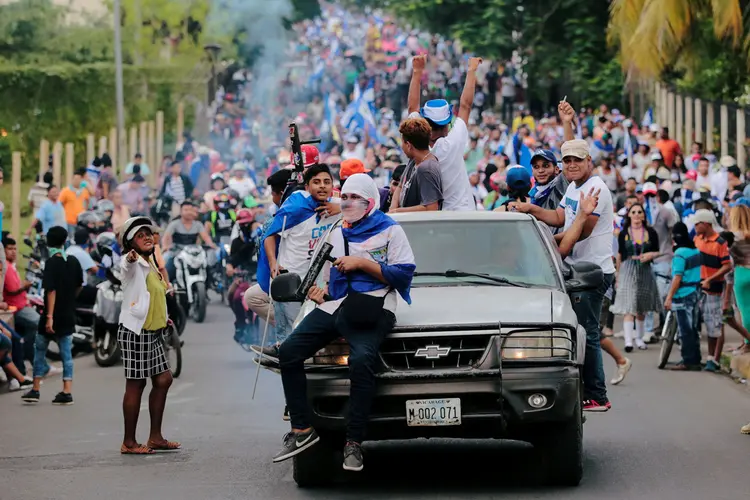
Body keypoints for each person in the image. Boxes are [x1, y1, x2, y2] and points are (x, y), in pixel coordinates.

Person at [273, 173, 415, 472]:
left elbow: (403, 275)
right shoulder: (338, 230)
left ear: (371, 202)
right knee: (288, 352)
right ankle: (301, 430)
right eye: (345, 197)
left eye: (356, 199)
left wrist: (363, 264)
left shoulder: (390, 230)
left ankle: (353, 443)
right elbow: (330, 278)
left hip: (373, 307)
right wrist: (321, 293)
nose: (348, 203)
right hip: (338, 305)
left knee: (362, 361)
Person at [510, 136, 615, 412]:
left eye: (577, 160)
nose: (571, 165)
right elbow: (560, 217)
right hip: (574, 270)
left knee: (587, 333)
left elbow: (579, 232)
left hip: (593, 271)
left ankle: (598, 395)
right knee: (576, 331)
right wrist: (530, 209)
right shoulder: (572, 186)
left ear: (588, 161)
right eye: (567, 160)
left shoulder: (596, 189)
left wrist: (544, 244)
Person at [257, 164, 340, 353]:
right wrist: (273, 263)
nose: (322, 186)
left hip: (319, 284)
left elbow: (371, 204)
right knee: (290, 340)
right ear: (307, 187)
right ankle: (282, 351)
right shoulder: (295, 207)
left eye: (327, 182)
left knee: (314, 339)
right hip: (291, 282)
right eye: (316, 182)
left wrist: (339, 206)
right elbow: (269, 235)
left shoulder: (337, 207)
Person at [116, 216, 180, 455]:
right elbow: (126, 265)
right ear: (130, 243)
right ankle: (129, 442)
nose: (146, 237)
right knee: (136, 384)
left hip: (153, 331)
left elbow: (156, 296)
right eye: (139, 235)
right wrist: (131, 257)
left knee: (163, 379)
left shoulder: (151, 262)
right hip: (136, 332)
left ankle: (155, 437)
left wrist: (164, 319)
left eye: (148, 234)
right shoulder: (132, 262)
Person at [406, 54, 478, 211]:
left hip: (433, 221)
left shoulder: (418, 147)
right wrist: (472, 70)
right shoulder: (454, 142)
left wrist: (417, 71)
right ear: (447, 126)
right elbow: (465, 105)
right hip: (462, 214)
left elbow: (412, 108)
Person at [21, 226, 83, 405]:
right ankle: (67, 391)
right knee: (66, 355)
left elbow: (51, 291)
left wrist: (49, 316)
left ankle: (35, 389)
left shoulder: (51, 263)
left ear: (49, 242)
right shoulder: (73, 261)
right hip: (67, 314)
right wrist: (69, 299)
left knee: (39, 350)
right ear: (64, 241)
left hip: (52, 315)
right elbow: (79, 285)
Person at [243, 169, 293, 334]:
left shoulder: (291, 213)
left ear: (281, 193)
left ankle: (290, 329)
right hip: (272, 276)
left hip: (290, 275)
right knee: (251, 297)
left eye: (273, 194)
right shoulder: (277, 215)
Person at [609, 203, 662, 351]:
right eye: (634, 212)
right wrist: (618, 274)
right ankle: (628, 341)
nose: (637, 214)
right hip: (628, 268)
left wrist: (651, 254)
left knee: (641, 307)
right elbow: (619, 254)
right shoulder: (624, 232)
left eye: (639, 212)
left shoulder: (650, 232)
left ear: (644, 215)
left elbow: (658, 251)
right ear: (629, 215)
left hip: (645, 270)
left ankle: (639, 338)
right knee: (629, 305)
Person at [693, 209, 732, 372]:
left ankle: (712, 358)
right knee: (696, 322)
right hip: (697, 286)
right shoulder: (697, 240)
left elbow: (727, 265)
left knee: (712, 324)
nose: (695, 227)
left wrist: (710, 279)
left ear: (706, 224)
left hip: (714, 288)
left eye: (698, 224)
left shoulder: (720, 243)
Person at [664, 222, 703, 371]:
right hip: (695, 293)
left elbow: (677, 277)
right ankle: (696, 358)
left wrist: (669, 297)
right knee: (693, 328)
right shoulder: (696, 251)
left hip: (683, 295)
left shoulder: (680, 254)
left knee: (685, 329)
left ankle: (688, 361)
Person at [2, 235, 40, 379]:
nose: (12, 251)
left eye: (14, 249)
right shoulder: (6, 267)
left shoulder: (11, 266)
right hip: (16, 308)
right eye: (9, 249)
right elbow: (12, 289)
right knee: (38, 324)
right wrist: (25, 285)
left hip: (21, 305)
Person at [390, 117, 443, 212]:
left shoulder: (427, 169)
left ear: (409, 146)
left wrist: (397, 212)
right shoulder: (414, 159)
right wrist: (393, 208)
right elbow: (400, 186)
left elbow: (431, 208)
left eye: (402, 143)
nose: (402, 147)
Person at [226, 209, 260, 346]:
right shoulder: (236, 243)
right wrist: (230, 267)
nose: (246, 227)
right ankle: (240, 323)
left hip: (262, 277)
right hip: (245, 277)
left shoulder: (263, 238)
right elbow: (233, 260)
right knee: (233, 296)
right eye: (242, 224)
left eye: (249, 224)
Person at [161, 201, 217, 282]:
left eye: (190, 210)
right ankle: (166, 285)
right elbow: (166, 237)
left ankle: (211, 282)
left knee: (208, 263)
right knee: (166, 263)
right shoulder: (174, 224)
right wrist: (165, 246)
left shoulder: (198, 224)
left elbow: (205, 237)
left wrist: (211, 244)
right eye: (186, 210)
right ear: (181, 212)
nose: (189, 212)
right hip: (177, 251)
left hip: (194, 251)